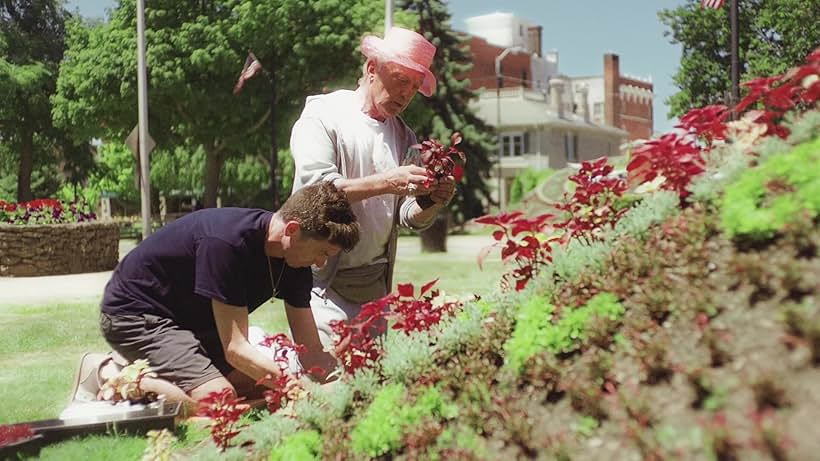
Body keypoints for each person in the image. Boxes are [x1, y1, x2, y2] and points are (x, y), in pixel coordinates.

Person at [99, 182, 359, 410]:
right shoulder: (227, 244)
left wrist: (348, 385)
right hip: (135, 314)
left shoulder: (296, 262)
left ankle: (160, 373)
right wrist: (298, 391)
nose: (321, 263)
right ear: (292, 231)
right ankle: (114, 374)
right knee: (218, 401)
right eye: (322, 252)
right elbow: (236, 350)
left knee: (256, 385)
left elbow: (311, 350)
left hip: (190, 322)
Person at [289, 26, 456, 346]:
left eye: (415, 86)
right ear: (371, 69)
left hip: (375, 286)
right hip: (321, 282)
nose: (407, 94)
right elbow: (315, 190)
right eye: (401, 80)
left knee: (372, 384)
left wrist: (431, 200)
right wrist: (388, 182)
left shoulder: (404, 136)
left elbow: (407, 214)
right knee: (326, 380)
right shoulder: (323, 115)